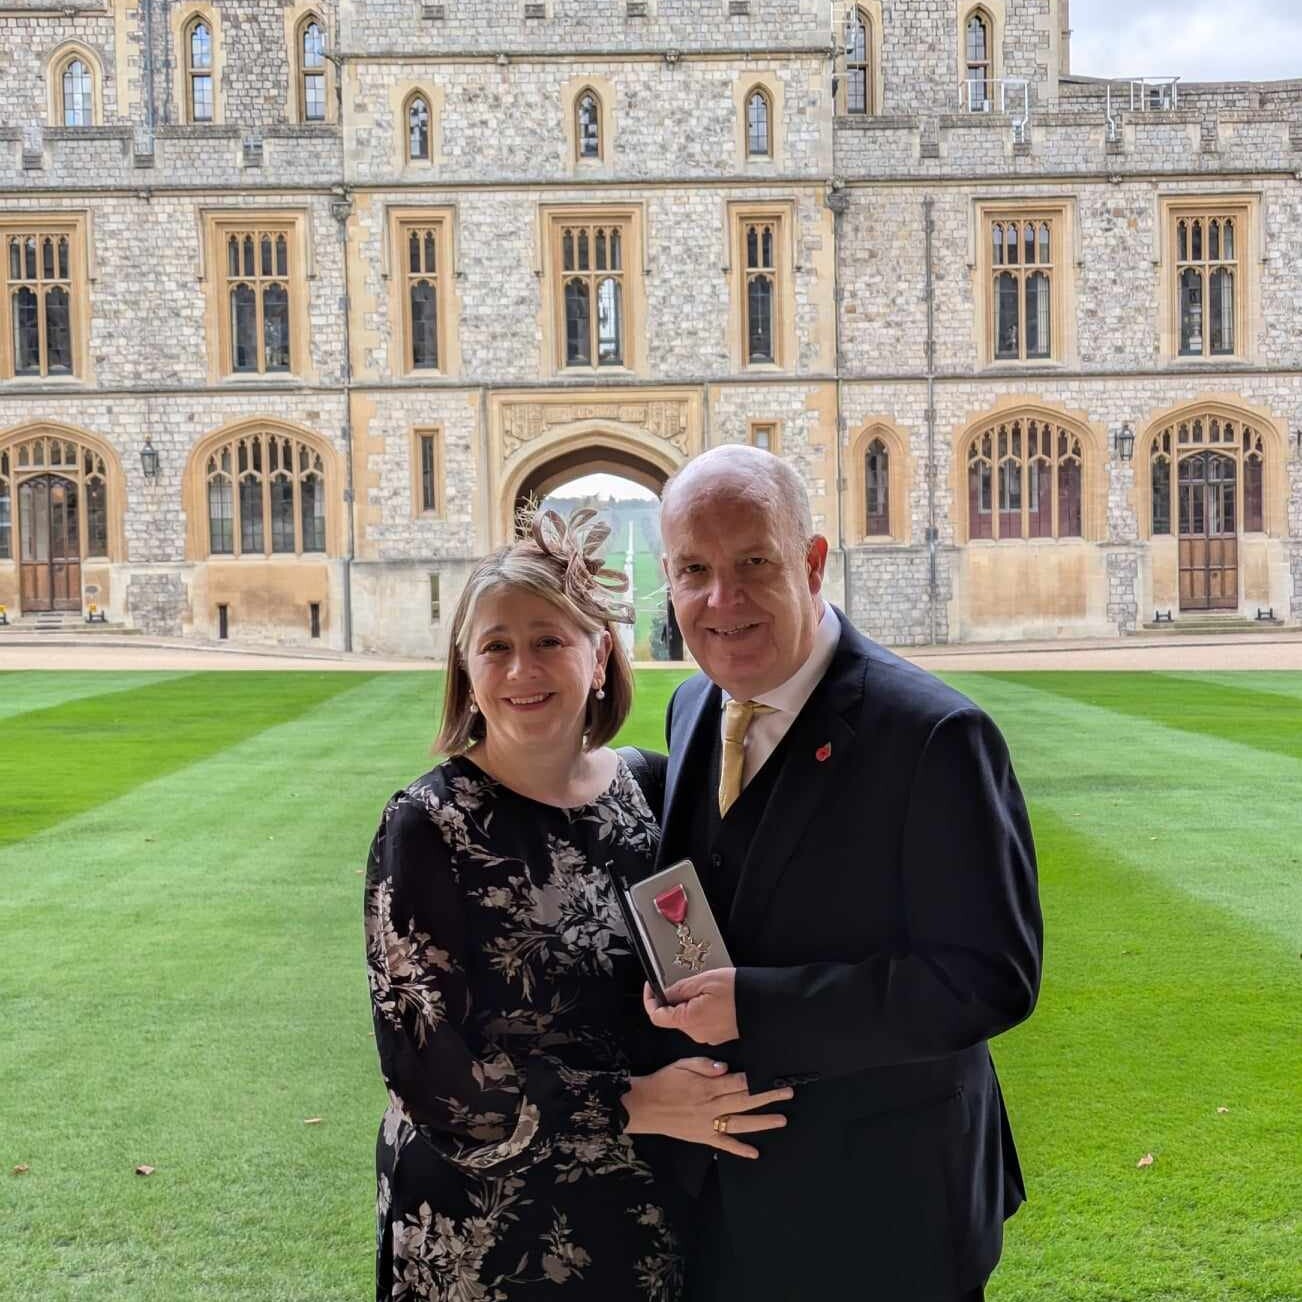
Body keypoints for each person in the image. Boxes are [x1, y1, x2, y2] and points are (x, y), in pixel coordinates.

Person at [363, 506, 794, 1302]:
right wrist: (634, 1102)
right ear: (467, 671)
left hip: (641, 1210)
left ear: (599, 658)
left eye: (549, 641)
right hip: (481, 1227)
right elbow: (427, 1072)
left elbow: (705, 967)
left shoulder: (656, 792)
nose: (523, 670)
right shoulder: (429, 825)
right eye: (497, 647)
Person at [647, 445, 1043, 1302]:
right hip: (723, 1204)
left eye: (754, 562)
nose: (723, 600)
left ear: (814, 561)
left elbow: (990, 980)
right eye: (694, 571)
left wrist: (756, 1006)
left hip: (884, 1215)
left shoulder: (934, 735)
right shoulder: (690, 706)